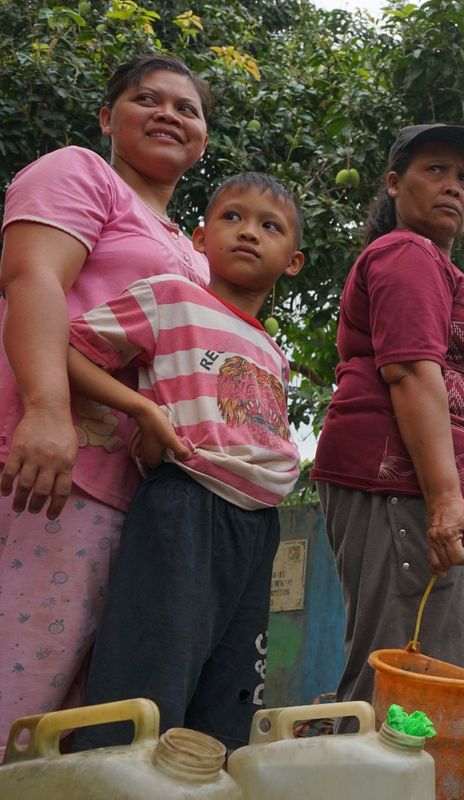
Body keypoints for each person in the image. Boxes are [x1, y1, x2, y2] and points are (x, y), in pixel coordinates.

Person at [0, 53, 213, 749]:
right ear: (106, 119)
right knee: (19, 683)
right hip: (47, 467)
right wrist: (45, 409)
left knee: (71, 721)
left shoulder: (194, 253)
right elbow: (32, 278)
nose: (168, 115)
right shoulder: (81, 173)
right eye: (147, 100)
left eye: (187, 109)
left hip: (133, 493)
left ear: (202, 140)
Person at [65, 173, 304, 751]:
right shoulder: (171, 296)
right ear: (199, 238)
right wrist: (142, 410)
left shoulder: (275, 354)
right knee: (150, 674)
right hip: (185, 503)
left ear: (292, 262)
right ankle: (113, 779)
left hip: (258, 524)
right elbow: (71, 349)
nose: (248, 232)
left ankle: (201, 779)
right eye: (232, 217)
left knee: (230, 697)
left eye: (269, 226)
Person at [311, 124, 464, 725]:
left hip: (423, 493)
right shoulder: (407, 253)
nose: (454, 187)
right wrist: (446, 499)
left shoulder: (437, 266)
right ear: (395, 184)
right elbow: (411, 374)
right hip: (400, 485)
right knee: (402, 681)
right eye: (436, 171)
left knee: (424, 682)